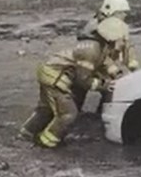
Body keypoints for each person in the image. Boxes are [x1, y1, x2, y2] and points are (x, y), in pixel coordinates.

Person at [20, 16, 130, 148]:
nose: (123, 42)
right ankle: (46, 144)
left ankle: (25, 135)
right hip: (55, 76)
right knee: (68, 114)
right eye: (121, 38)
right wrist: (104, 85)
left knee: (46, 109)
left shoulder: (99, 46)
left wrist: (119, 74)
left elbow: (105, 63)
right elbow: (83, 80)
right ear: (112, 36)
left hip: (50, 70)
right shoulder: (92, 50)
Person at [75, 0, 138, 110]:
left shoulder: (114, 25)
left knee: (111, 88)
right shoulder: (94, 28)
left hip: (102, 63)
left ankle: (102, 113)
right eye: (121, 13)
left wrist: (131, 61)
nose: (124, 16)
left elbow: (126, 43)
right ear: (111, 12)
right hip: (92, 64)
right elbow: (95, 52)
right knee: (79, 89)